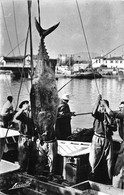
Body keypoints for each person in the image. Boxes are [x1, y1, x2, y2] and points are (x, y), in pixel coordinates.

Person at [89, 94, 117, 185]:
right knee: (94, 159)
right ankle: (93, 176)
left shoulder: (111, 115)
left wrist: (108, 122)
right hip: (97, 138)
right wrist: (98, 100)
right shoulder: (98, 114)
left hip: (107, 139)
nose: (102, 109)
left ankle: (109, 179)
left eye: (103, 107)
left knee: (110, 160)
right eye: (100, 107)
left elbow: (114, 128)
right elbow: (93, 112)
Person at [103, 101, 124, 189]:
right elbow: (113, 124)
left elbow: (112, 113)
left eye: (121, 108)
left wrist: (105, 105)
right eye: (119, 108)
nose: (119, 109)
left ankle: (115, 189)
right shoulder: (120, 116)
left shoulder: (122, 115)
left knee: (118, 169)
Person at [13, 100, 37, 175]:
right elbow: (16, 117)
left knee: (32, 156)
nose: (27, 105)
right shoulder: (22, 114)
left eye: (28, 104)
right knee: (23, 156)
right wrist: (23, 109)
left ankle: (30, 173)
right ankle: (21, 171)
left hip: (32, 137)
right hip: (23, 137)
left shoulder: (33, 114)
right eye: (25, 104)